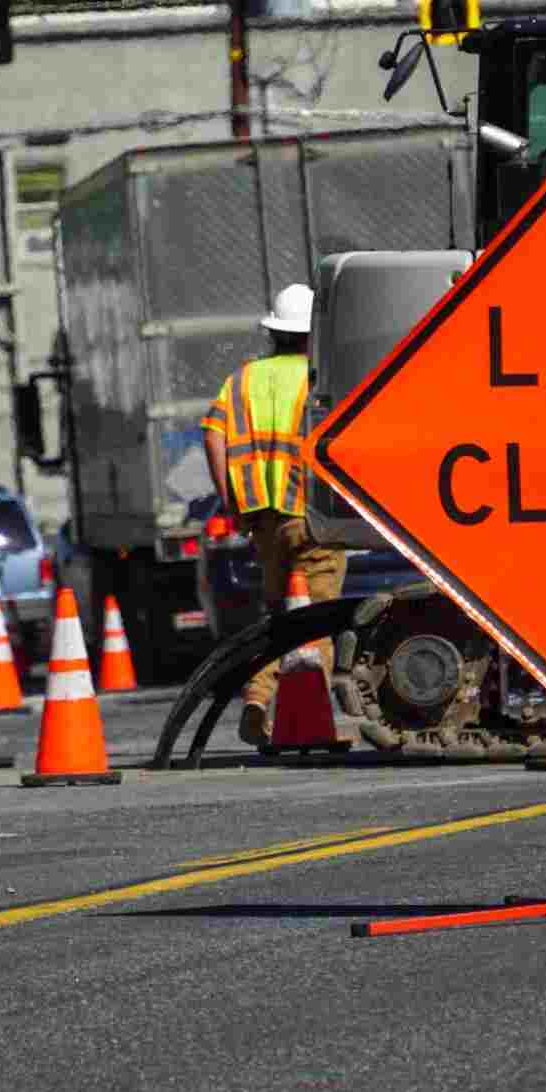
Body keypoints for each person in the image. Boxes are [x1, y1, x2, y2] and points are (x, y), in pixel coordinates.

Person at [201, 282, 348, 748]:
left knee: (278, 619)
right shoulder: (322, 376)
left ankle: (258, 700)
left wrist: (232, 502)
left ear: (275, 332)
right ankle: (311, 720)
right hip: (314, 516)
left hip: (264, 519)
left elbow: (213, 436)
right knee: (316, 621)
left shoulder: (241, 379)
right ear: (313, 334)